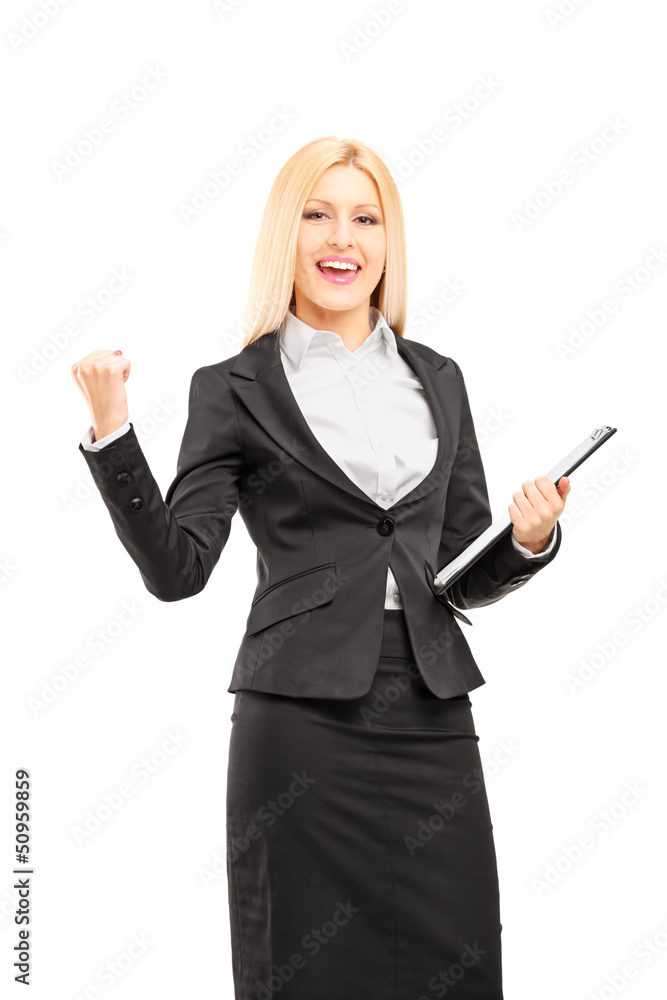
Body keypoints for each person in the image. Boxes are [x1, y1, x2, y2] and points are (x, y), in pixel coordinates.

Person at [72, 136, 570, 999]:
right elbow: (178, 570)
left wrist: (528, 539)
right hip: (299, 720)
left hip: (431, 711)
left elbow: (459, 566)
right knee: (305, 969)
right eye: (317, 214)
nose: (342, 238)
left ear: (388, 241)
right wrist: (113, 429)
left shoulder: (439, 378)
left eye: (365, 218)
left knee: (456, 963)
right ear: (286, 234)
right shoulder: (233, 387)